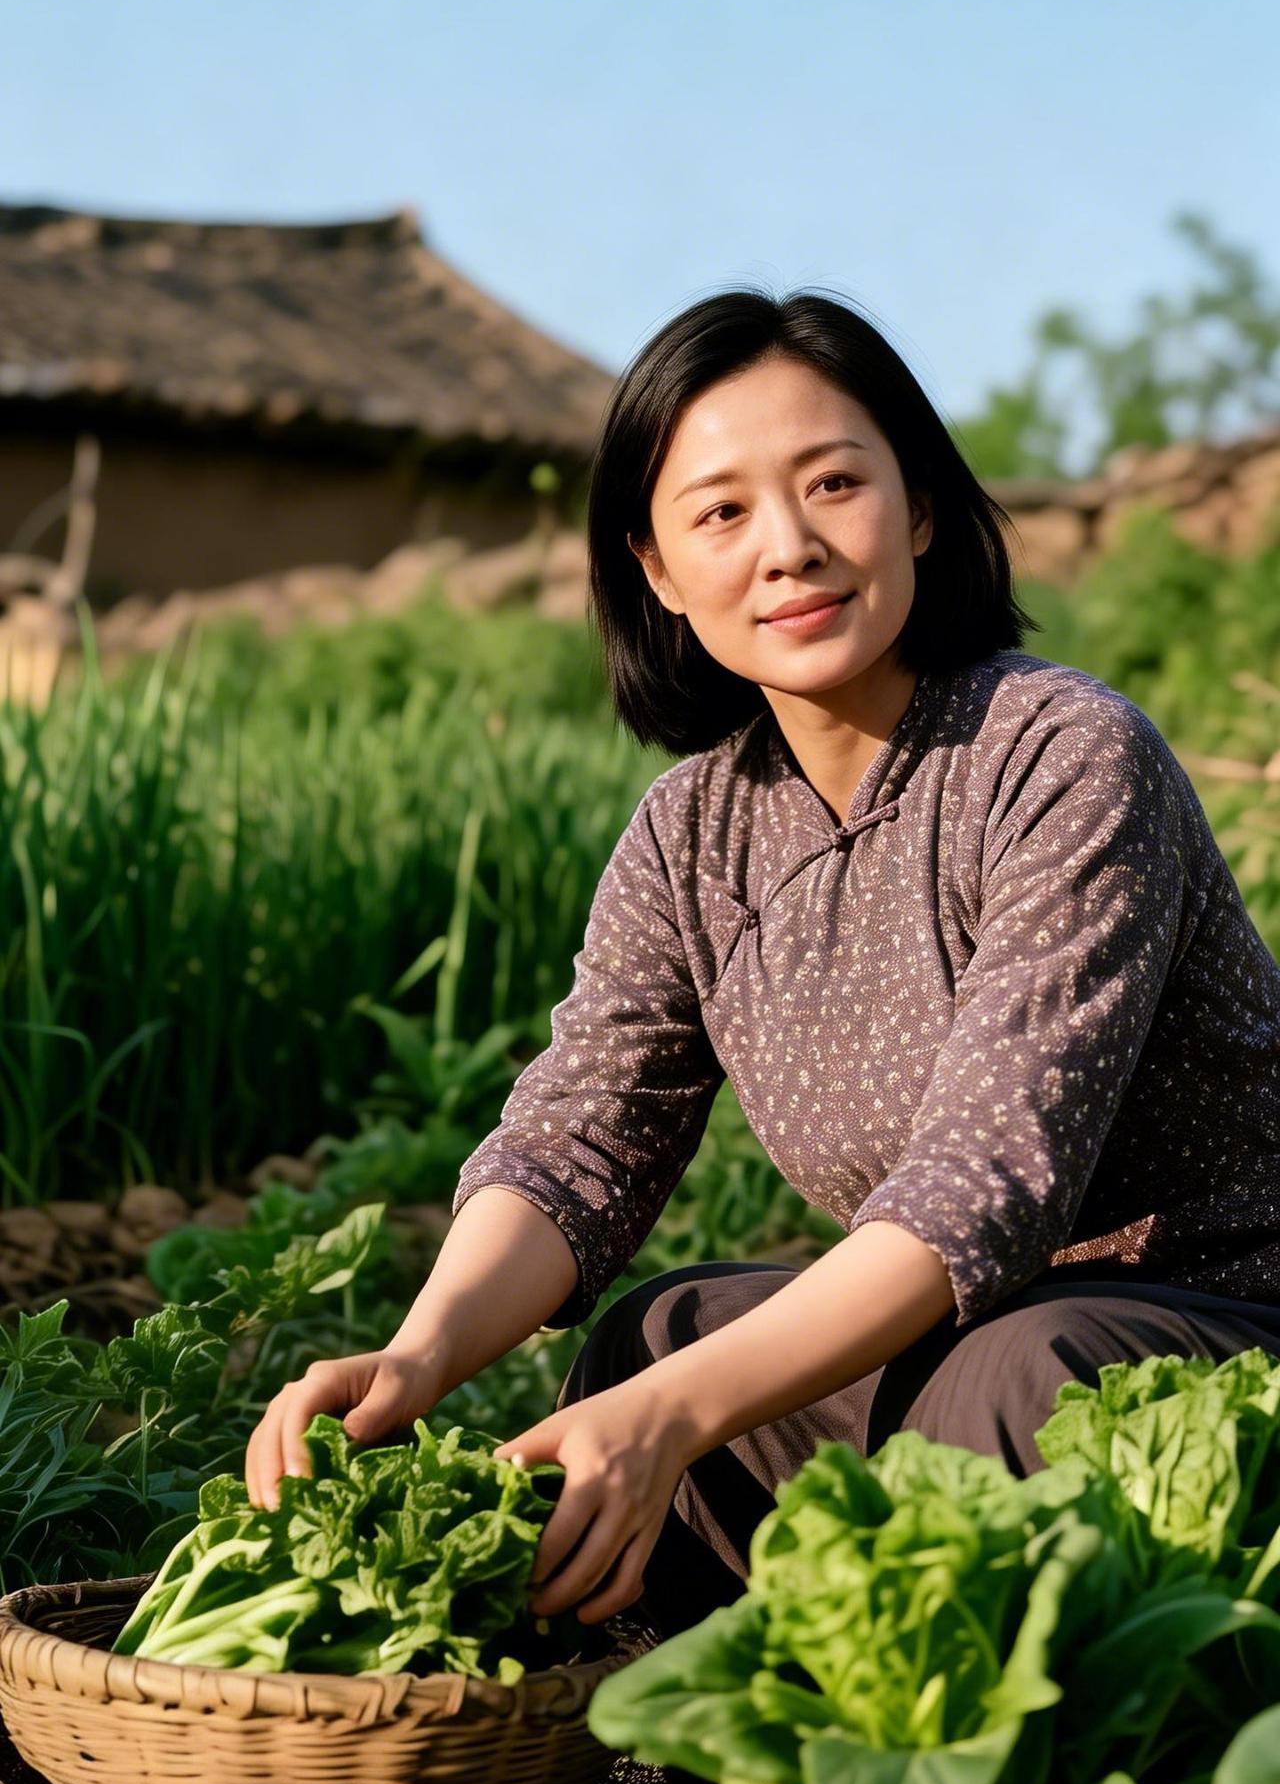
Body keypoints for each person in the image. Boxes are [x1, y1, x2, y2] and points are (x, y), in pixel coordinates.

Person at [245, 288, 1280, 1644]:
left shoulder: (1062, 756)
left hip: (1210, 1328)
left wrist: (672, 1422)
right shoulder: (693, 835)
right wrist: (418, 1355)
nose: (788, 548)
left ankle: (938, 1759)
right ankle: (659, 1754)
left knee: (1016, 1379)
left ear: (916, 509)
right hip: (978, 1328)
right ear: (659, 572)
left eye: (835, 484)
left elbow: (985, 1189)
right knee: (656, 1339)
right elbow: (578, 1142)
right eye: (721, 512)